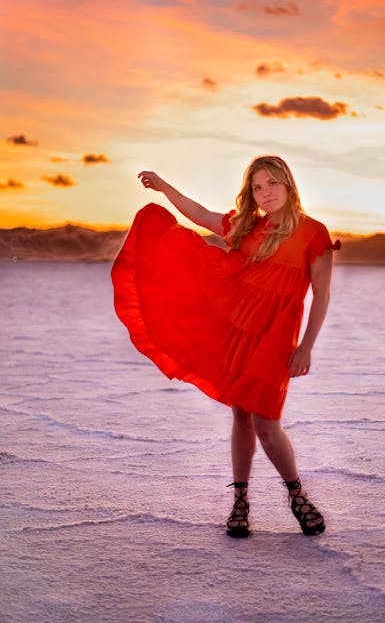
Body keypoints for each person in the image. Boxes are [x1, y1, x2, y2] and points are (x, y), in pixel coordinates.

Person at [112, 155, 340, 538]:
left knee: (267, 421)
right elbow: (199, 214)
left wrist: (306, 346)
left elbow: (321, 295)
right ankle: (241, 500)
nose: (265, 193)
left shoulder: (314, 233)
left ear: (288, 184)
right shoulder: (247, 227)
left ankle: (296, 494)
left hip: (275, 338)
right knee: (240, 416)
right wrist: (164, 187)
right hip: (235, 330)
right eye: (257, 187)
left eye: (272, 184)